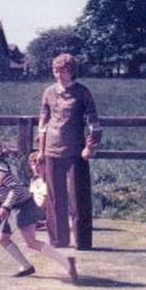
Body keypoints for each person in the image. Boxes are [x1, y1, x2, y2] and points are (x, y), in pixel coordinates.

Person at [0, 136, 78, 281]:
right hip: (15, 207)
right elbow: (2, 191)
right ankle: (26, 266)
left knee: (31, 242)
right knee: (2, 238)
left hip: (23, 206)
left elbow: (15, 189)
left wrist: (5, 206)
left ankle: (67, 263)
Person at [38, 53, 102, 249]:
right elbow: (42, 123)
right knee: (55, 198)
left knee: (78, 198)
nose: (58, 74)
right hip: (51, 150)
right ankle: (58, 240)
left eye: (62, 70)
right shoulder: (48, 92)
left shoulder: (83, 92)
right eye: (55, 70)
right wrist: (40, 150)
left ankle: (82, 242)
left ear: (72, 71)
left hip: (75, 151)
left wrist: (90, 147)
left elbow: (94, 123)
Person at [28, 150, 49, 231]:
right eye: (33, 165)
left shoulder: (48, 182)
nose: (35, 168)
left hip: (43, 212)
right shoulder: (33, 181)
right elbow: (31, 198)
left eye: (38, 165)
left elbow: (43, 204)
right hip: (35, 210)